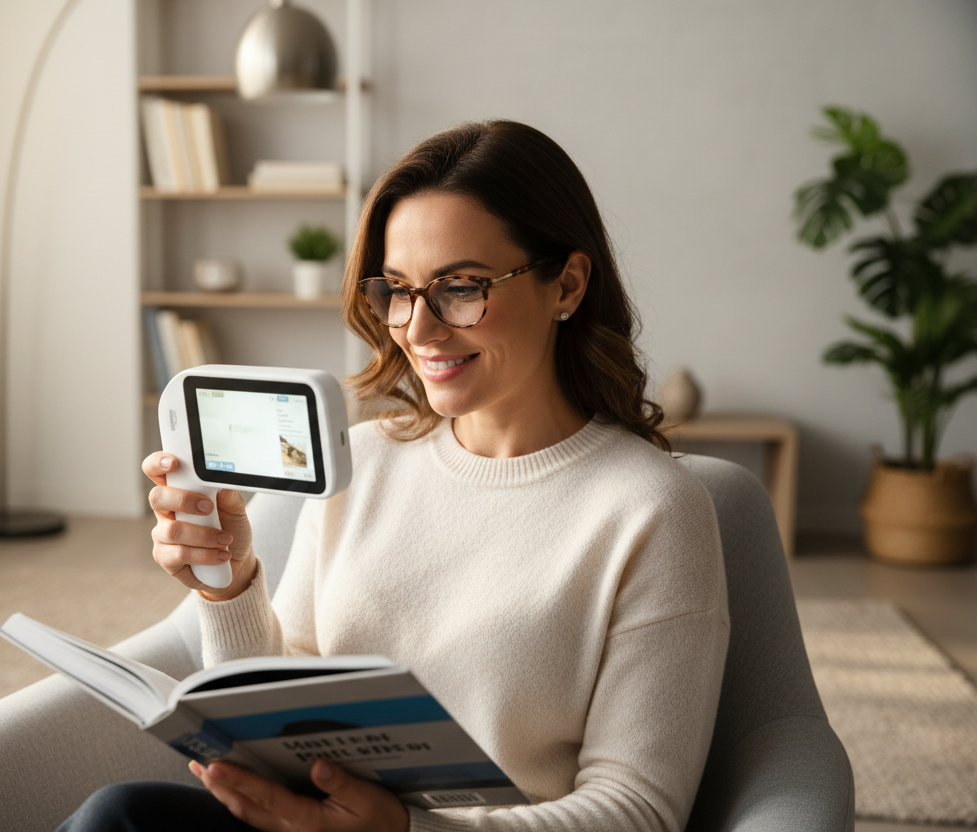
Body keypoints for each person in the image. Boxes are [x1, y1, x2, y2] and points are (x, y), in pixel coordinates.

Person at [58, 120, 729, 832]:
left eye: (461, 288)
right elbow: (289, 702)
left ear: (566, 283)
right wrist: (229, 583)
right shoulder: (365, 459)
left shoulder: (651, 510)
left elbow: (638, 811)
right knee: (118, 816)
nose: (419, 330)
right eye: (399, 291)